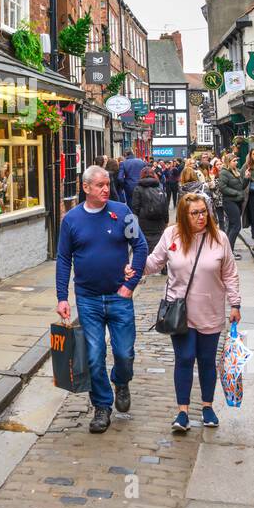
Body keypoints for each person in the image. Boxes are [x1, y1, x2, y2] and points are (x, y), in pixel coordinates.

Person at [56, 166, 149, 434]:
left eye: (108, 184)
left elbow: (140, 246)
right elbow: (64, 259)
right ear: (86, 188)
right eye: (100, 185)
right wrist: (63, 297)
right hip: (88, 299)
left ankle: (121, 381)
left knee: (124, 353)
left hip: (119, 296)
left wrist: (130, 284)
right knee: (94, 357)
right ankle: (102, 406)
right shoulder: (71, 220)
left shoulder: (122, 213)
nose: (106, 189)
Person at [141, 192, 241, 431]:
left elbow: (230, 273)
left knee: (207, 360)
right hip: (181, 311)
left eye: (203, 211)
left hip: (211, 309)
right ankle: (182, 412)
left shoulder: (220, 238)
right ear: (184, 216)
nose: (201, 217)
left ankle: (207, 407)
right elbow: (154, 262)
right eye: (195, 213)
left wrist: (235, 303)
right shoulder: (171, 235)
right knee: (184, 358)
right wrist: (132, 268)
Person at [131, 166, 170, 252]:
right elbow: (165, 206)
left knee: (145, 246)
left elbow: (135, 208)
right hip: (159, 223)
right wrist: (166, 221)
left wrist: (133, 227)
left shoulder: (138, 188)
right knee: (158, 246)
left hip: (144, 223)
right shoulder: (159, 188)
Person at [217, 154, 248, 260]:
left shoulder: (236, 171)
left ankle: (228, 250)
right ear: (228, 162)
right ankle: (229, 252)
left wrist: (247, 179)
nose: (236, 162)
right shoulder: (224, 172)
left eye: (236, 160)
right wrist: (236, 193)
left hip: (237, 201)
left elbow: (241, 186)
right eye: (234, 160)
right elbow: (222, 187)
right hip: (229, 201)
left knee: (231, 226)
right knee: (236, 226)